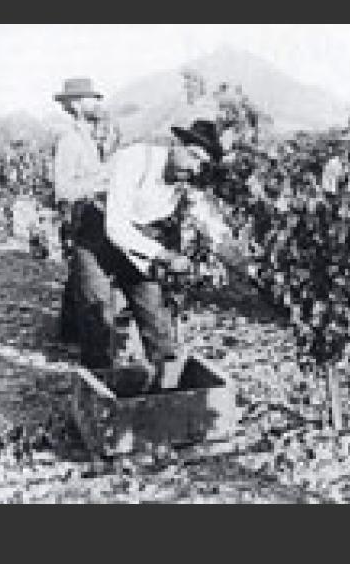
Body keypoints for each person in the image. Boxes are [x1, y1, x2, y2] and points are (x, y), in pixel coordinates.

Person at [75, 119, 222, 394]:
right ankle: (99, 400)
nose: (193, 166)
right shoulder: (134, 159)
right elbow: (115, 227)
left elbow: (203, 220)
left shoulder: (185, 181)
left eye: (201, 164)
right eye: (192, 155)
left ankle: (164, 396)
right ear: (176, 145)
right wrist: (164, 255)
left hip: (139, 246)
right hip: (98, 238)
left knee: (155, 319)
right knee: (97, 317)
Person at [51, 77, 108, 343]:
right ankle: (78, 335)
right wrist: (100, 182)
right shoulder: (70, 140)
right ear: (75, 105)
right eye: (91, 98)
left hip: (89, 212)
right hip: (80, 214)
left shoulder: (89, 136)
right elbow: (62, 189)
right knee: (86, 271)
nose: (97, 102)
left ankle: (68, 333)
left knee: (80, 272)